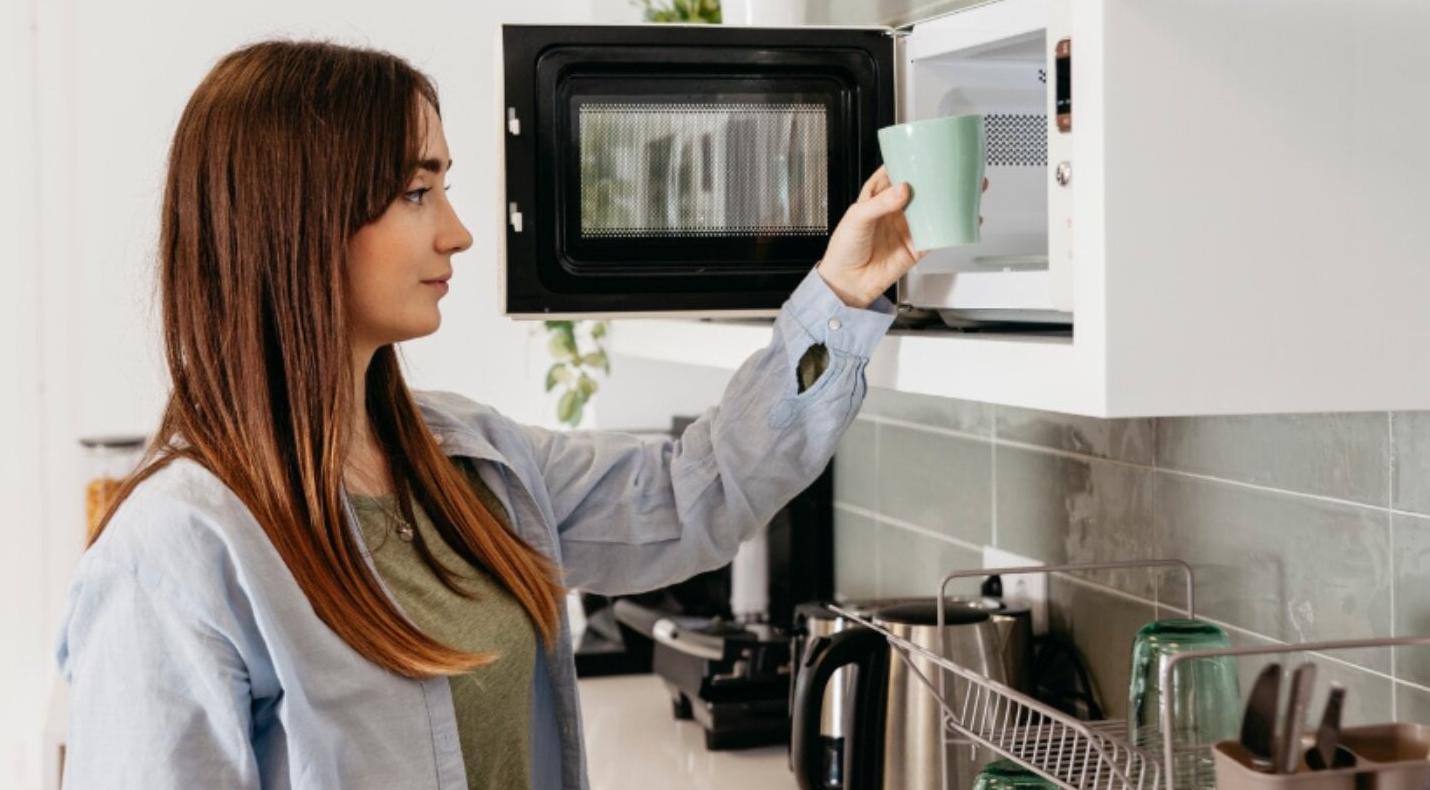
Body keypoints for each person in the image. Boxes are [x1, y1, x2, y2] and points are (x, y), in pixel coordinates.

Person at [56, 39, 926, 789]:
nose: (459, 231)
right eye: (416, 192)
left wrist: (841, 295)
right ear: (300, 221)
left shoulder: (469, 460)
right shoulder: (175, 554)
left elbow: (694, 493)